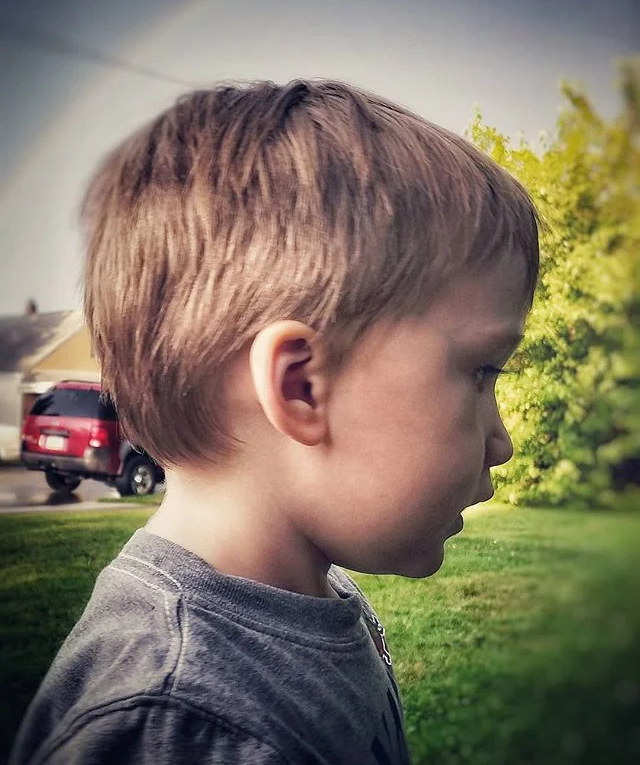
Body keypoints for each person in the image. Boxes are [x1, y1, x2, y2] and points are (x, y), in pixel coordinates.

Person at [11, 80, 539, 764]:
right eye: (481, 373)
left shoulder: (309, 593)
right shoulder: (184, 725)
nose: (502, 441)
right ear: (302, 387)